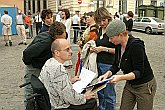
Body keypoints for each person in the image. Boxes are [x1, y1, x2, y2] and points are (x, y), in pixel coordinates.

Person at [98, 19, 157, 110]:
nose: (109, 40)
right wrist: (107, 74)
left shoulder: (136, 46)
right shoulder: (118, 45)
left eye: (111, 37)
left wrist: (120, 77)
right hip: (130, 85)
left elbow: (138, 72)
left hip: (144, 85)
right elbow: (116, 65)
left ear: (120, 35)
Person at [39, 39, 97, 110]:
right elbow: (71, 98)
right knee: (92, 101)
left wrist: (70, 81)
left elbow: (55, 82)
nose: (71, 52)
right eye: (67, 50)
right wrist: (84, 97)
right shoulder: (59, 68)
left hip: (51, 100)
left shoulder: (49, 61)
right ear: (57, 53)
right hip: (58, 105)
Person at [22, 21, 66, 108]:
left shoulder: (62, 35)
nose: (63, 39)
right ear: (54, 36)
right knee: (31, 91)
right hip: (34, 67)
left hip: (43, 66)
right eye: (61, 38)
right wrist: (32, 64)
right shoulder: (45, 42)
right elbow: (27, 53)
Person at [92, 7, 116, 110]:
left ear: (108, 18)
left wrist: (103, 49)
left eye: (103, 20)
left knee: (109, 93)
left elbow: (118, 51)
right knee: (100, 91)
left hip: (109, 65)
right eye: (99, 21)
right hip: (97, 64)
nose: (102, 23)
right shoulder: (98, 30)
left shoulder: (112, 30)